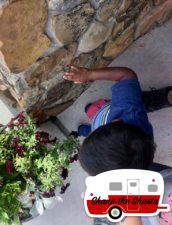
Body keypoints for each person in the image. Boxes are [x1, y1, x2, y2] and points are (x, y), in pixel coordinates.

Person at [63, 66, 172, 225]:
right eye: (95, 134)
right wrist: (89, 74)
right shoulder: (130, 115)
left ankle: (92, 127)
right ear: (116, 122)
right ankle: (92, 127)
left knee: (97, 122)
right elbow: (126, 76)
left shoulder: (138, 146)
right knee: (97, 123)